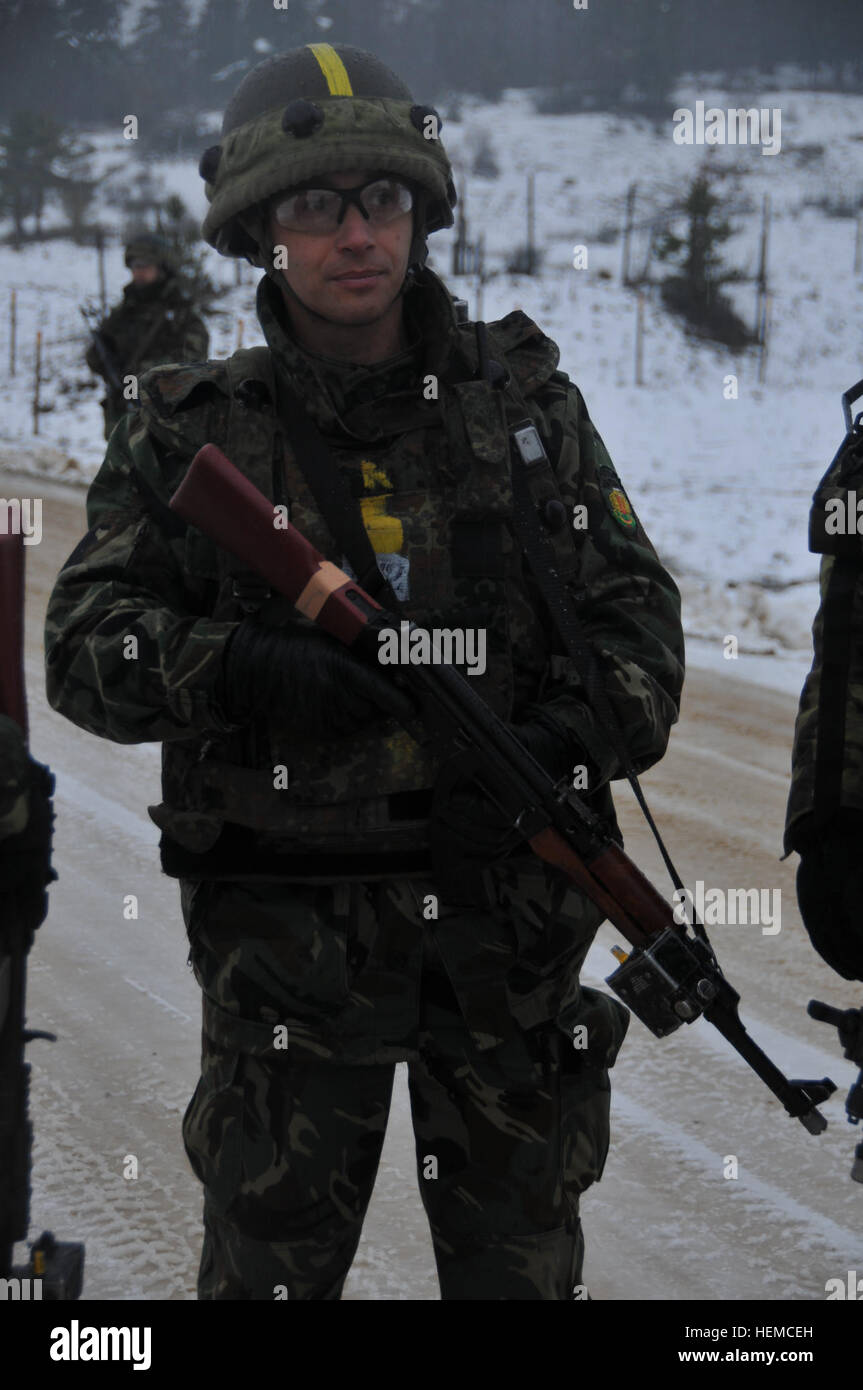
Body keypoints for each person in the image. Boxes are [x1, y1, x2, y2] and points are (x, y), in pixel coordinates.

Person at [44, 43, 685, 1300]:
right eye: (314, 206)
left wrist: (573, 726)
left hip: (507, 956)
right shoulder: (191, 430)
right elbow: (82, 647)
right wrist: (247, 669)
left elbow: (640, 625)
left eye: (381, 200)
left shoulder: (522, 409)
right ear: (257, 234)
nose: (356, 234)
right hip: (288, 965)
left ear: (422, 214)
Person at [84, 232, 209, 440]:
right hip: (123, 418)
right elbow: (97, 356)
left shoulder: (179, 311)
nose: (139, 271)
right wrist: (99, 356)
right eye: (134, 266)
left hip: (166, 418)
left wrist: (148, 372)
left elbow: (194, 358)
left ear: (162, 268)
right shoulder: (125, 310)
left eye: (145, 265)